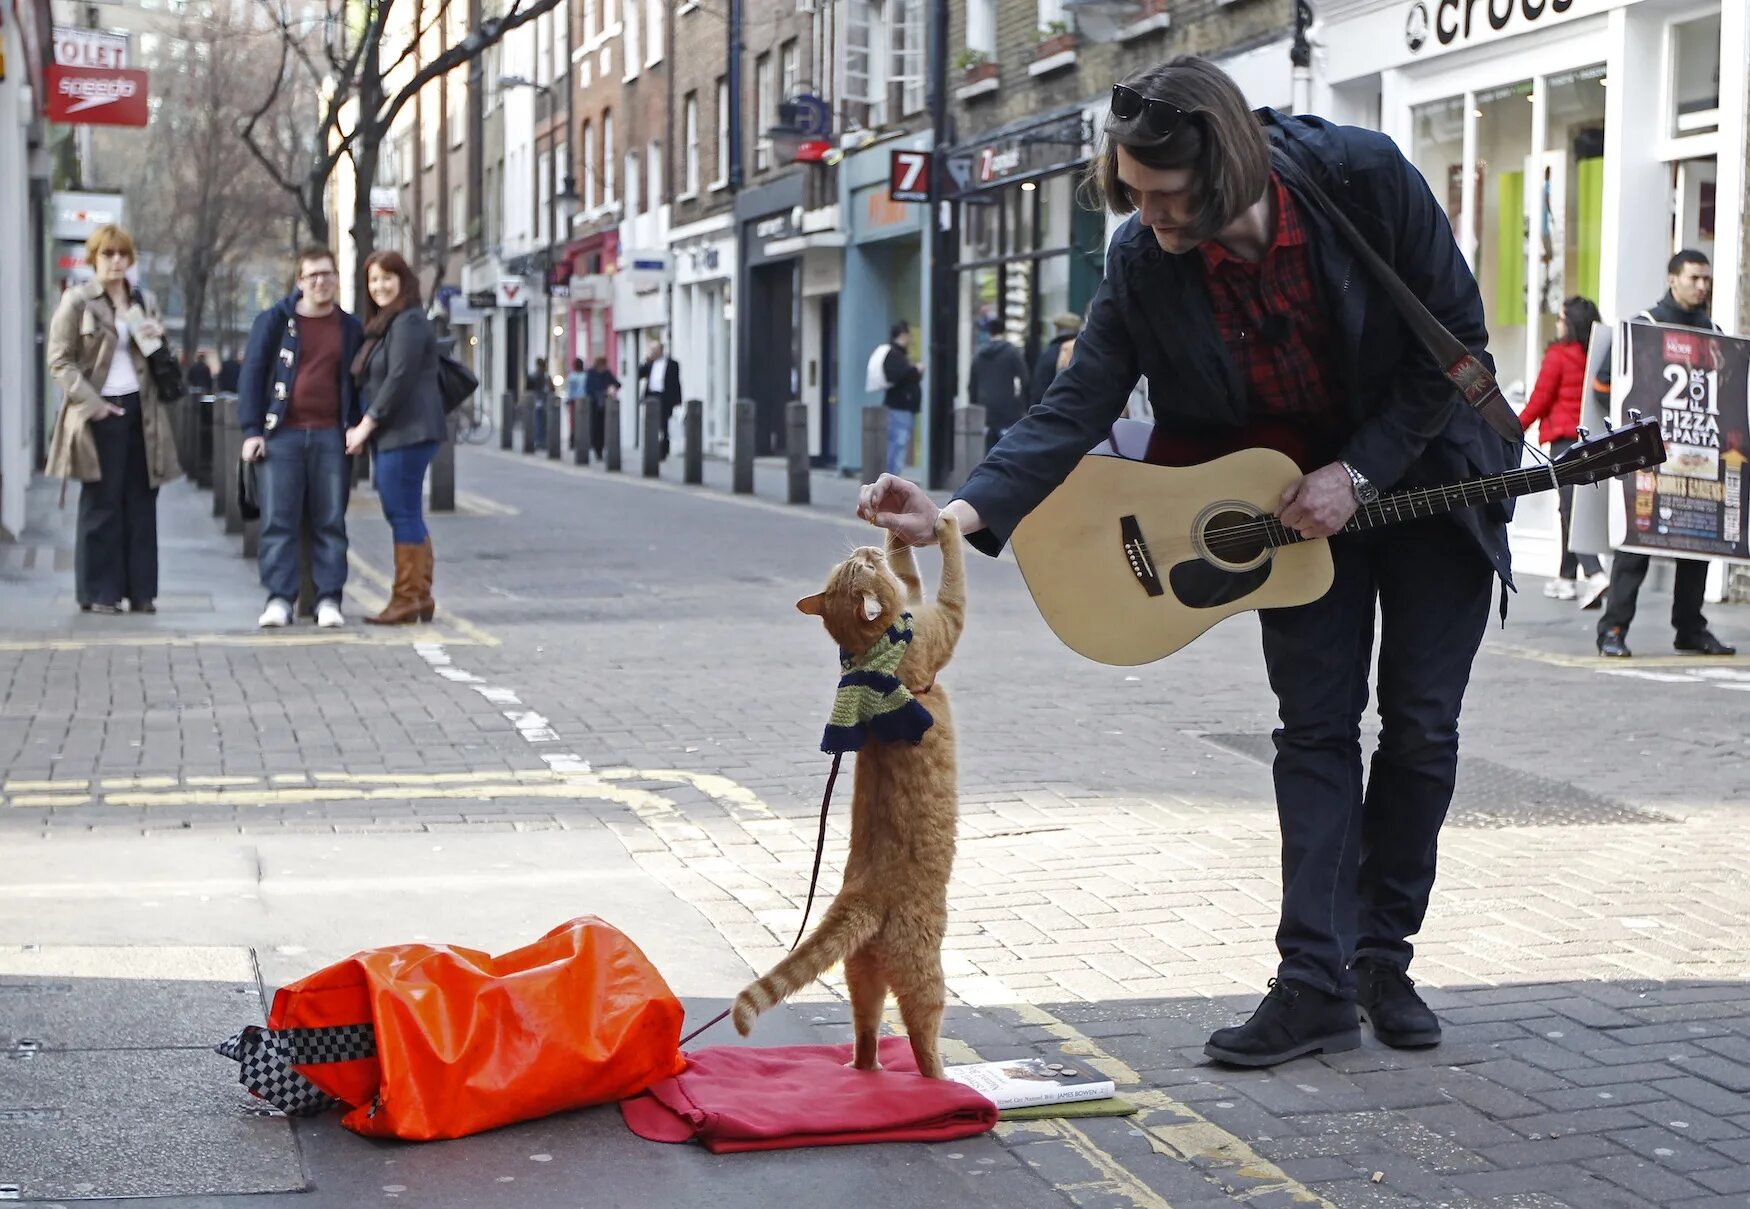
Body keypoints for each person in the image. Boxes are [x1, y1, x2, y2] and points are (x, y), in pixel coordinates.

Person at [860, 56, 1521, 1068]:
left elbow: (1456, 345)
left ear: (1228, 168)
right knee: (1313, 732)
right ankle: (1312, 982)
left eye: (1166, 196)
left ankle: (1382, 956)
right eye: (1131, 192)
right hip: (1285, 514)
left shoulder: (1363, 178)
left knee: (1422, 728)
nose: (1149, 215)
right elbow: (1076, 406)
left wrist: (1359, 469)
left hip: (1426, 480)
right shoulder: (1143, 259)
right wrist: (953, 515)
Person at [1595, 251, 1737, 658]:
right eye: (1695, 278)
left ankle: (1690, 629)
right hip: (1650, 461)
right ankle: (1614, 629)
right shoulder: (1643, 328)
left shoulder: (1716, 335)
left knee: (1698, 545)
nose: (1702, 286)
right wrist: (1631, 436)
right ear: (1673, 279)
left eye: (1707, 279)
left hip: (1700, 458)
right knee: (1636, 544)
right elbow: (1604, 388)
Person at [46, 223, 182, 615]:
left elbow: (158, 358)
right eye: (108, 254)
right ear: (94, 259)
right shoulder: (77, 301)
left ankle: (141, 592)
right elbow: (60, 360)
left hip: (144, 413)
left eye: (123, 254)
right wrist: (94, 404)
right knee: (101, 504)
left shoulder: (144, 300)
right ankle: (99, 592)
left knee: (142, 501)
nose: (116, 262)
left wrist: (159, 337)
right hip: (99, 413)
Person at [238, 245, 364, 630]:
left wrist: (357, 426)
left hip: (330, 435)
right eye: (313, 276)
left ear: (337, 279)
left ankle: (328, 599)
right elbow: (252, 376)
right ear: (300, 282)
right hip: (282, 436)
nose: (321, 282)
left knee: (330, 520)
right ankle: (279, 598)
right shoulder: (274, 321)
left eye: (327, 274)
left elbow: (358, 383)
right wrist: (251, 431)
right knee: (279, 519)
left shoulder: (349, 327)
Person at [348, 250, 449, 625]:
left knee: (401, 511)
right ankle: (419, 596)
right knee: (404, 511)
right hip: (401, 432)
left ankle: (407, 597)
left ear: (403, 280)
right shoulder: (386, 323)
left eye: (387, 278)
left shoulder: (407, 322)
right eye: (373, 280)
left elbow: (399, 378)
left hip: (407, 431)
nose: (379, 286)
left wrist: (365, 425)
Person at [1520, 296, 1608, 606]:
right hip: (1592, 439)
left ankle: (1596, 574)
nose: (1557, 323)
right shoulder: (1598, 354)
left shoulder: (1558, 355)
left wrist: (1513, 428)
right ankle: (1566, 578)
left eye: (1560, 317)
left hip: (1563, 442)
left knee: (1571, 509)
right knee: (1568, 507)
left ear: (1569, 322)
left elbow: (1540, 400)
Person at [967, 316, 1029, 451]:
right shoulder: (1011, 352)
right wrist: (1022, 403)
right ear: (1003, 331)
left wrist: (974, 403)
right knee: (1006, 446)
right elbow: (1024, 378)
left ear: (989, 332)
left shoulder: (979, 354)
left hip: (985, 406)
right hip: (1007, 406)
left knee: (988, 446)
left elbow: (972, 382)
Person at [882, 322, 924, 476]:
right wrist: (915, 370)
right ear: (903, 335)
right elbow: (897, 376)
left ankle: (892, 479)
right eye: (909, 335)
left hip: (903, 407)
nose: (911, 339)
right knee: (898, 445)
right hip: (899, 407)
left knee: (899, 444)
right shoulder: (894, 354)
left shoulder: (898, 354)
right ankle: (891, 481)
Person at [637, 338, 683, 459]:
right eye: (651, 350)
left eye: (654, 350)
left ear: (661, 350)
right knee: (650, 423)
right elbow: (639, 374)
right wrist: (646, 360)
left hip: (665, 397)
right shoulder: (650, 364)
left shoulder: (673, 364)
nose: (653, 352)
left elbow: (676, 383)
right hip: (651, 395)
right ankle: (650, 448)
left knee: (663, 425)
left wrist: (678, 401)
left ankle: (663, 451)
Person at [1028, 313, 1082, 413]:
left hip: (1054, 414)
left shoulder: (1050, 353)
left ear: (1057, 330)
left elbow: (1039, 390)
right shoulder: (1084, 351)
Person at [582, 355, 620, 461]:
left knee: (604, 428)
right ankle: (597, 449)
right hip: (594, 405)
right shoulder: (591, 373)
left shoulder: (607, 373)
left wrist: (612, 388)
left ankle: (602, 448)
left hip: (606, 405)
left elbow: (617, 383)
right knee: (595, 428)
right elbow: (588, 389)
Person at [564, 357, 589, 451]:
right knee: (582, 421)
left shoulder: (572, 376)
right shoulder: (585, 376)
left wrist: (568, 399)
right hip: (583, 400)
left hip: (574, 401)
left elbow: (570, 390)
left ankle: (573, 441)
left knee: (574, 422)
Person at [527, 357, 550, 447]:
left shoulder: (535, 375)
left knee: (539, 421)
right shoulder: (545, 375)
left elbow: (530, 388)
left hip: (538, 400)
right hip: (543, 400)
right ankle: (541, 440)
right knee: (541, 421)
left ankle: (539, 440)